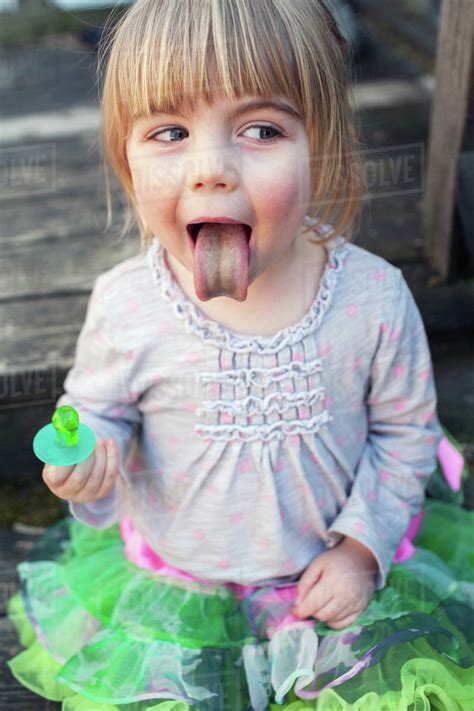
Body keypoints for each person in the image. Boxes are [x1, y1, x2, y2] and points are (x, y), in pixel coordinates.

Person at [6, 0, 474, 709]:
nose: (211, 170)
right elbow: (96, 411)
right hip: (174, 583)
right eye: (169, 131)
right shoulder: (127, 305)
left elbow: (404, 434)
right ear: (125, 164)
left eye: (261, 129)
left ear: (322, 146)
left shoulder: (374, 300)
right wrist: (86, 454)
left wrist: (359, 549)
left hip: (326, 582)